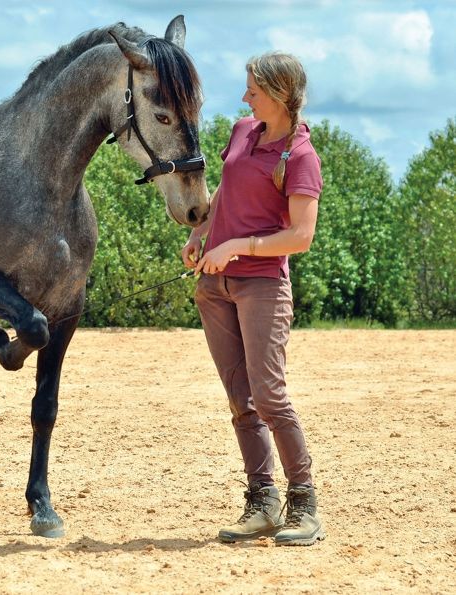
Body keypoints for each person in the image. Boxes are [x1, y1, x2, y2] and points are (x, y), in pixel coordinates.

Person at [181, 52, 325, 546]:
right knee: (240, 399)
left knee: (269, 396)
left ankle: (303, 503)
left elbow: (300, 236)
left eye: (254, 91)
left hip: (261, 285)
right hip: (215, 286)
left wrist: (236, 246)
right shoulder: (244, 129)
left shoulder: (301, 157)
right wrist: (202, 231)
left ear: (281, 96)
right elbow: (225, 187)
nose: (245, 98)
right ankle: (261, 502)